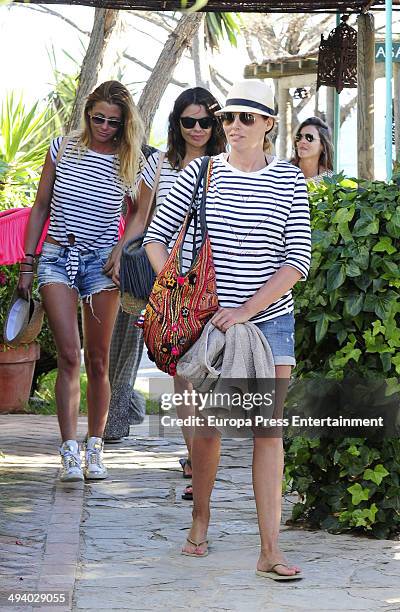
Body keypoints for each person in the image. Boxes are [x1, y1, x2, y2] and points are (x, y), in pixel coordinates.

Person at [143, 80, 311, 579]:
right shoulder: (201, 172)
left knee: (268, 430)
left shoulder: (288, 179)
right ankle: (200, 520)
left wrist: (244, 310)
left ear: (268, 125)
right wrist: (180, 293)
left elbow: (296, 261)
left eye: (246, 118)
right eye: (228, 117)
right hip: (205, 326)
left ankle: (269, 551)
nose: (233, 126)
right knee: (207, 430)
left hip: (269, 322)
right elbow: (156, 240)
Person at [18, 80, 144, 482]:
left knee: (98, 360)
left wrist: (122, 249)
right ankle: (68, 449)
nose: (105, 126)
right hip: (57, 256)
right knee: (70, 355)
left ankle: (96, 446)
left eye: (113, 121)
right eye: (98, 118)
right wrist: (28, 262)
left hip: (100, 265)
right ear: (87, 112)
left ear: (124, 123)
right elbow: (40, 206)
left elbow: (141, 213)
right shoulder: (62, 148)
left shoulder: (129, 159)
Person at [110, 87, 226, 499]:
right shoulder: (160, 164)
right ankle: (195, 461)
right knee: (181, 374)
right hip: (169, 276)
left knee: (207, 375)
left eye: (205, 121)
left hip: (217, 278)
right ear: (177, 124)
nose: (196, 129)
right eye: (188, 121)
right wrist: (124, 254)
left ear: (216, 124)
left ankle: (202, 458)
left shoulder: (227, 165)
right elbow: (142, 216)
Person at [291, 116, 334, 183]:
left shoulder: (330, 180)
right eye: (299, 137)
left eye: (309, 138)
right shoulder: (283, 171)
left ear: (322, 145)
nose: (302, 141)